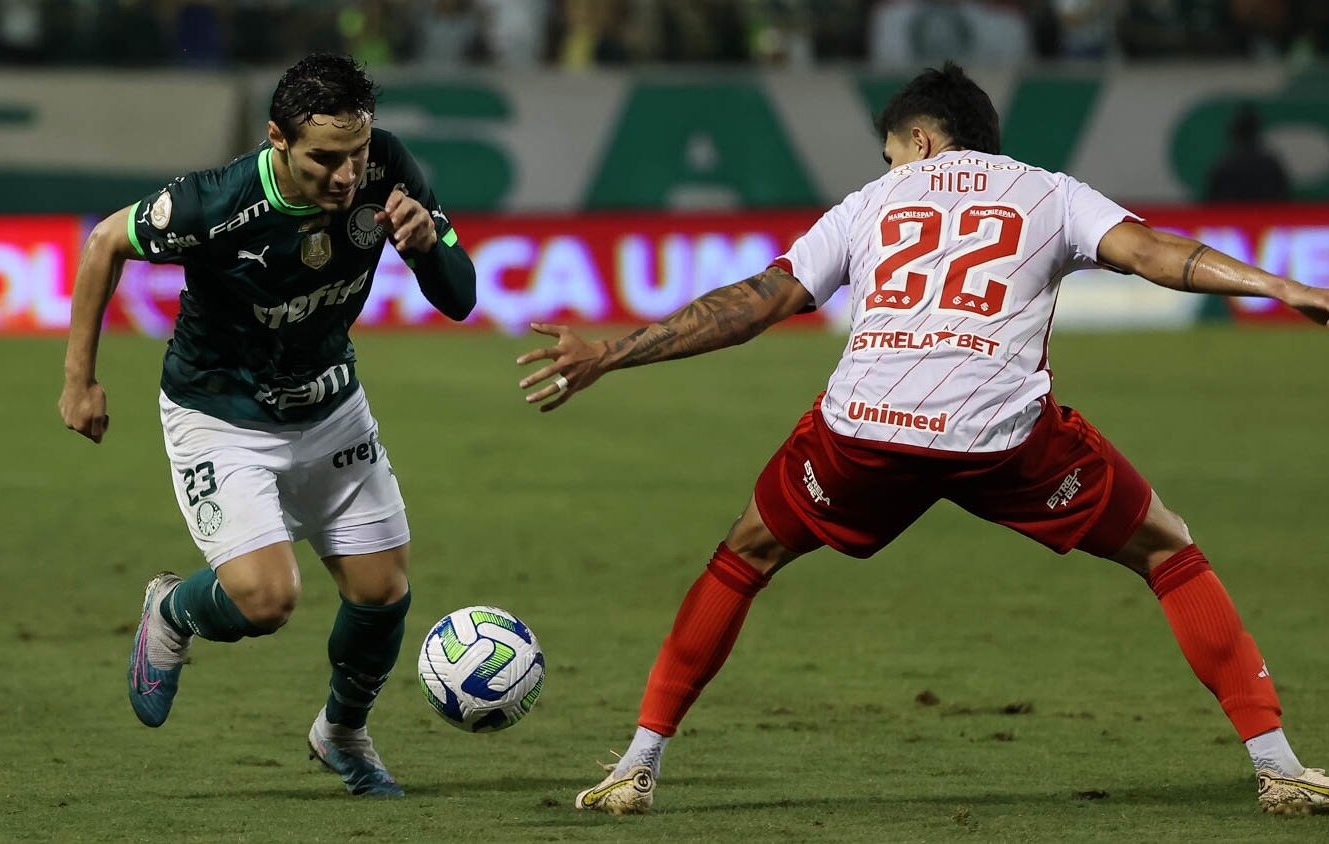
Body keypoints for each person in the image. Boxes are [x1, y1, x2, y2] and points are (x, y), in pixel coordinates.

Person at [517, 62, 1329, 815]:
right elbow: (1157, 254)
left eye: (888, 153)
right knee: (1167, 548)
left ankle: (638, 763)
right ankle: (1278, 765)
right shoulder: (1050, 192)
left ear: (922, 139)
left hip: (862, 432)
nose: (890, 168)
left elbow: (755, 303)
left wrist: (609, 353)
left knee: (745, 554)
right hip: (1000, 434)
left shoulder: (872, 203)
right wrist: (1279, 284)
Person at [59, 52, 476, 798]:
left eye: (357, 153)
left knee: (383, 592)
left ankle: (342, 734)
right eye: (326, 159)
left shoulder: (387, 167)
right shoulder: (213, 204)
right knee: (266, 600)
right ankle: (173, 607)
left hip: (330, 403)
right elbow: (102, 245)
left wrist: (429, 246)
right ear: (277, 138)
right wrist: (79, 381)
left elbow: (460, 296)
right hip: (221, 413)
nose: (348, 176)